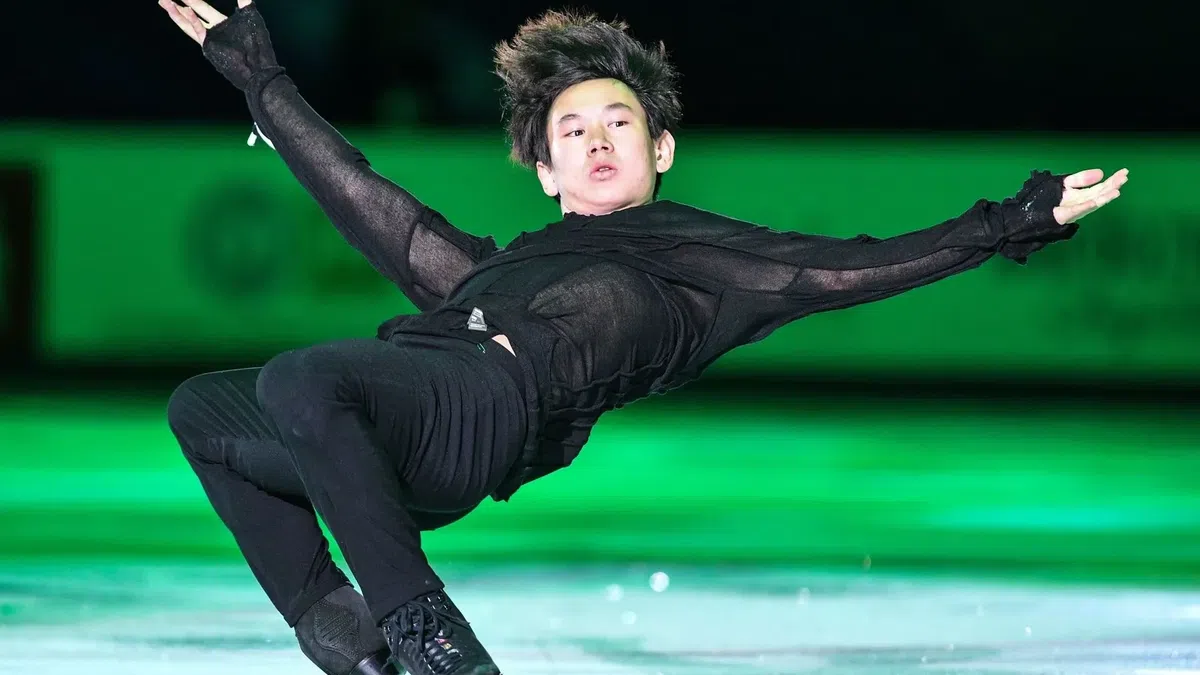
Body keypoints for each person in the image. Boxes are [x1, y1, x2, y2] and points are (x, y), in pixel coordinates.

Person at [157, 1, 1129, 674]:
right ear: (545, 170)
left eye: (618, 122)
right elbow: (371, 202)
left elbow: (848, 268)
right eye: (571, 129)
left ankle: (435, 644)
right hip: (399, 416)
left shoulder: (696, 260)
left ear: (660, 148)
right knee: (201, 409)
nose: (596, 138)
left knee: (303, 378)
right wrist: (261, 79)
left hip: (484, 415)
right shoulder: (490, 269)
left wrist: (1015, 221)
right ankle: (349, 640)